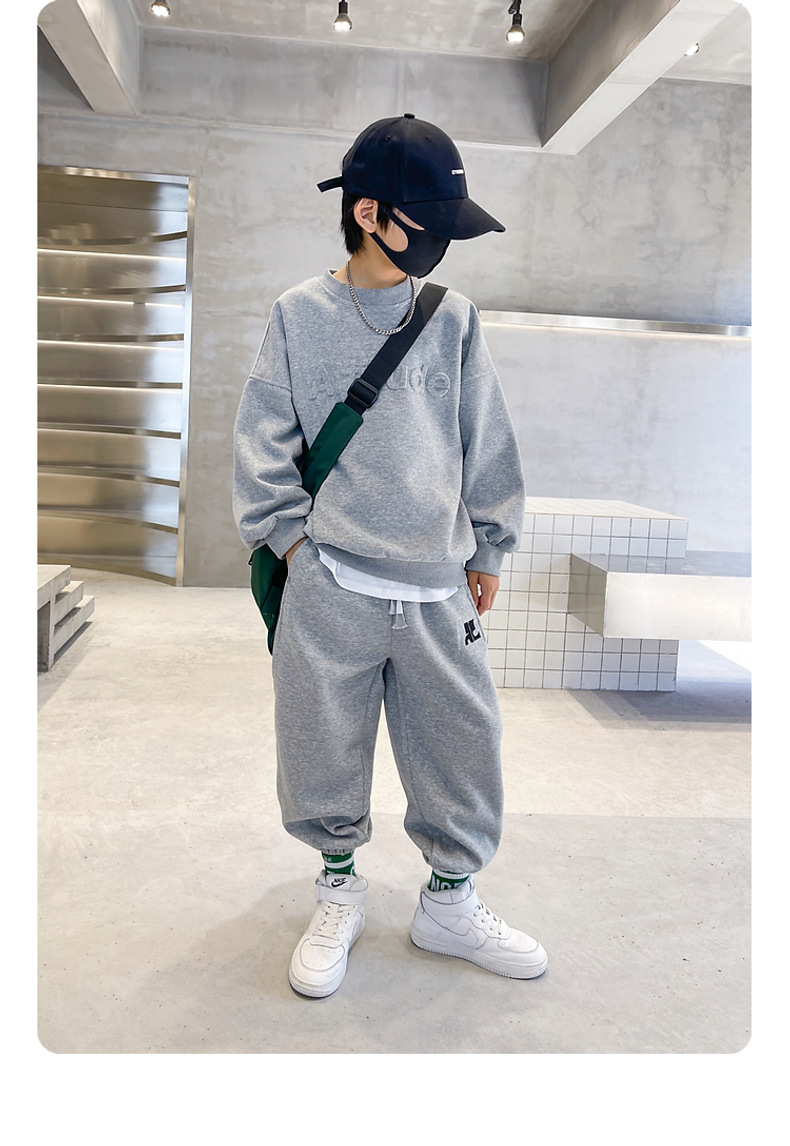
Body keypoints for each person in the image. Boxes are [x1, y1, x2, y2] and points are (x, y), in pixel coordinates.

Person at [233, 113, 547, 998]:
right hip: (330, 577)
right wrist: (294, 544)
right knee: (321, 743)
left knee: (462, 744)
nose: (442, 243)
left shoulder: (454, 320)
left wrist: (490, 544)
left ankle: (450, 904)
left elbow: (485, 437)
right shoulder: (299, 315)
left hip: (438, 583)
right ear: (367, 213)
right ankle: (338, 891)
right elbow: (261, 438)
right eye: (428, 223)